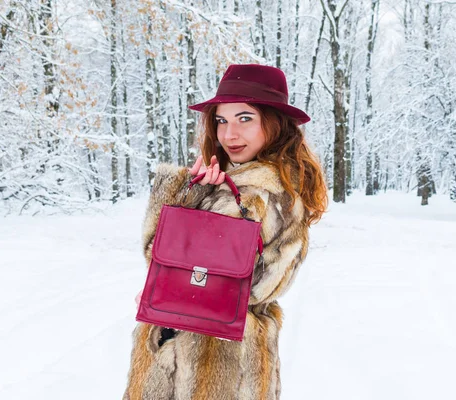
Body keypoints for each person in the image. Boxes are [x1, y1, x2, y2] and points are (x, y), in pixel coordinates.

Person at [123, 64, 327, 400]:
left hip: (224, 371)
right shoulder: (223, 186)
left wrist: (174, 292)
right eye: (221, 120)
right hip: (175, 361)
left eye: (244, 119)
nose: (229, 134)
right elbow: (158, 259)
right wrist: (186, 195)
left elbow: (260, 285)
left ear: (274, 123)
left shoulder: (271, 195)